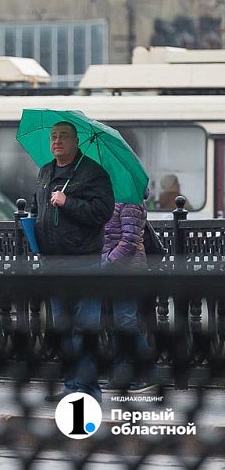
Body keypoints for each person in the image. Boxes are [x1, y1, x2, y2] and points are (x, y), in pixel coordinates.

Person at [31, 121, 114, 403]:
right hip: (53, 262)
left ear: (76, 141)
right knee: (64, 330)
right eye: (53, 136)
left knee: (84, 330)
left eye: (63, 137)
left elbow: (103, 212)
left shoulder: (93, 173)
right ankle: (71, 387)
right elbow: (38, 205)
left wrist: (69, 203)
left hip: (83, 262)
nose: (57, 141)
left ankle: (89, 390)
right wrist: (31, 224)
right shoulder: (45, 171)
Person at [101, 193, 157, 393]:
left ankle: (148, 371)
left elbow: (130, 241)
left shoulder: (130, 201)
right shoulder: (110, 199)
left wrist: (106, 262)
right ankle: (122, 374)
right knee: (118, 324)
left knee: (126, 322)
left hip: (127, 271)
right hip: (112, 270)